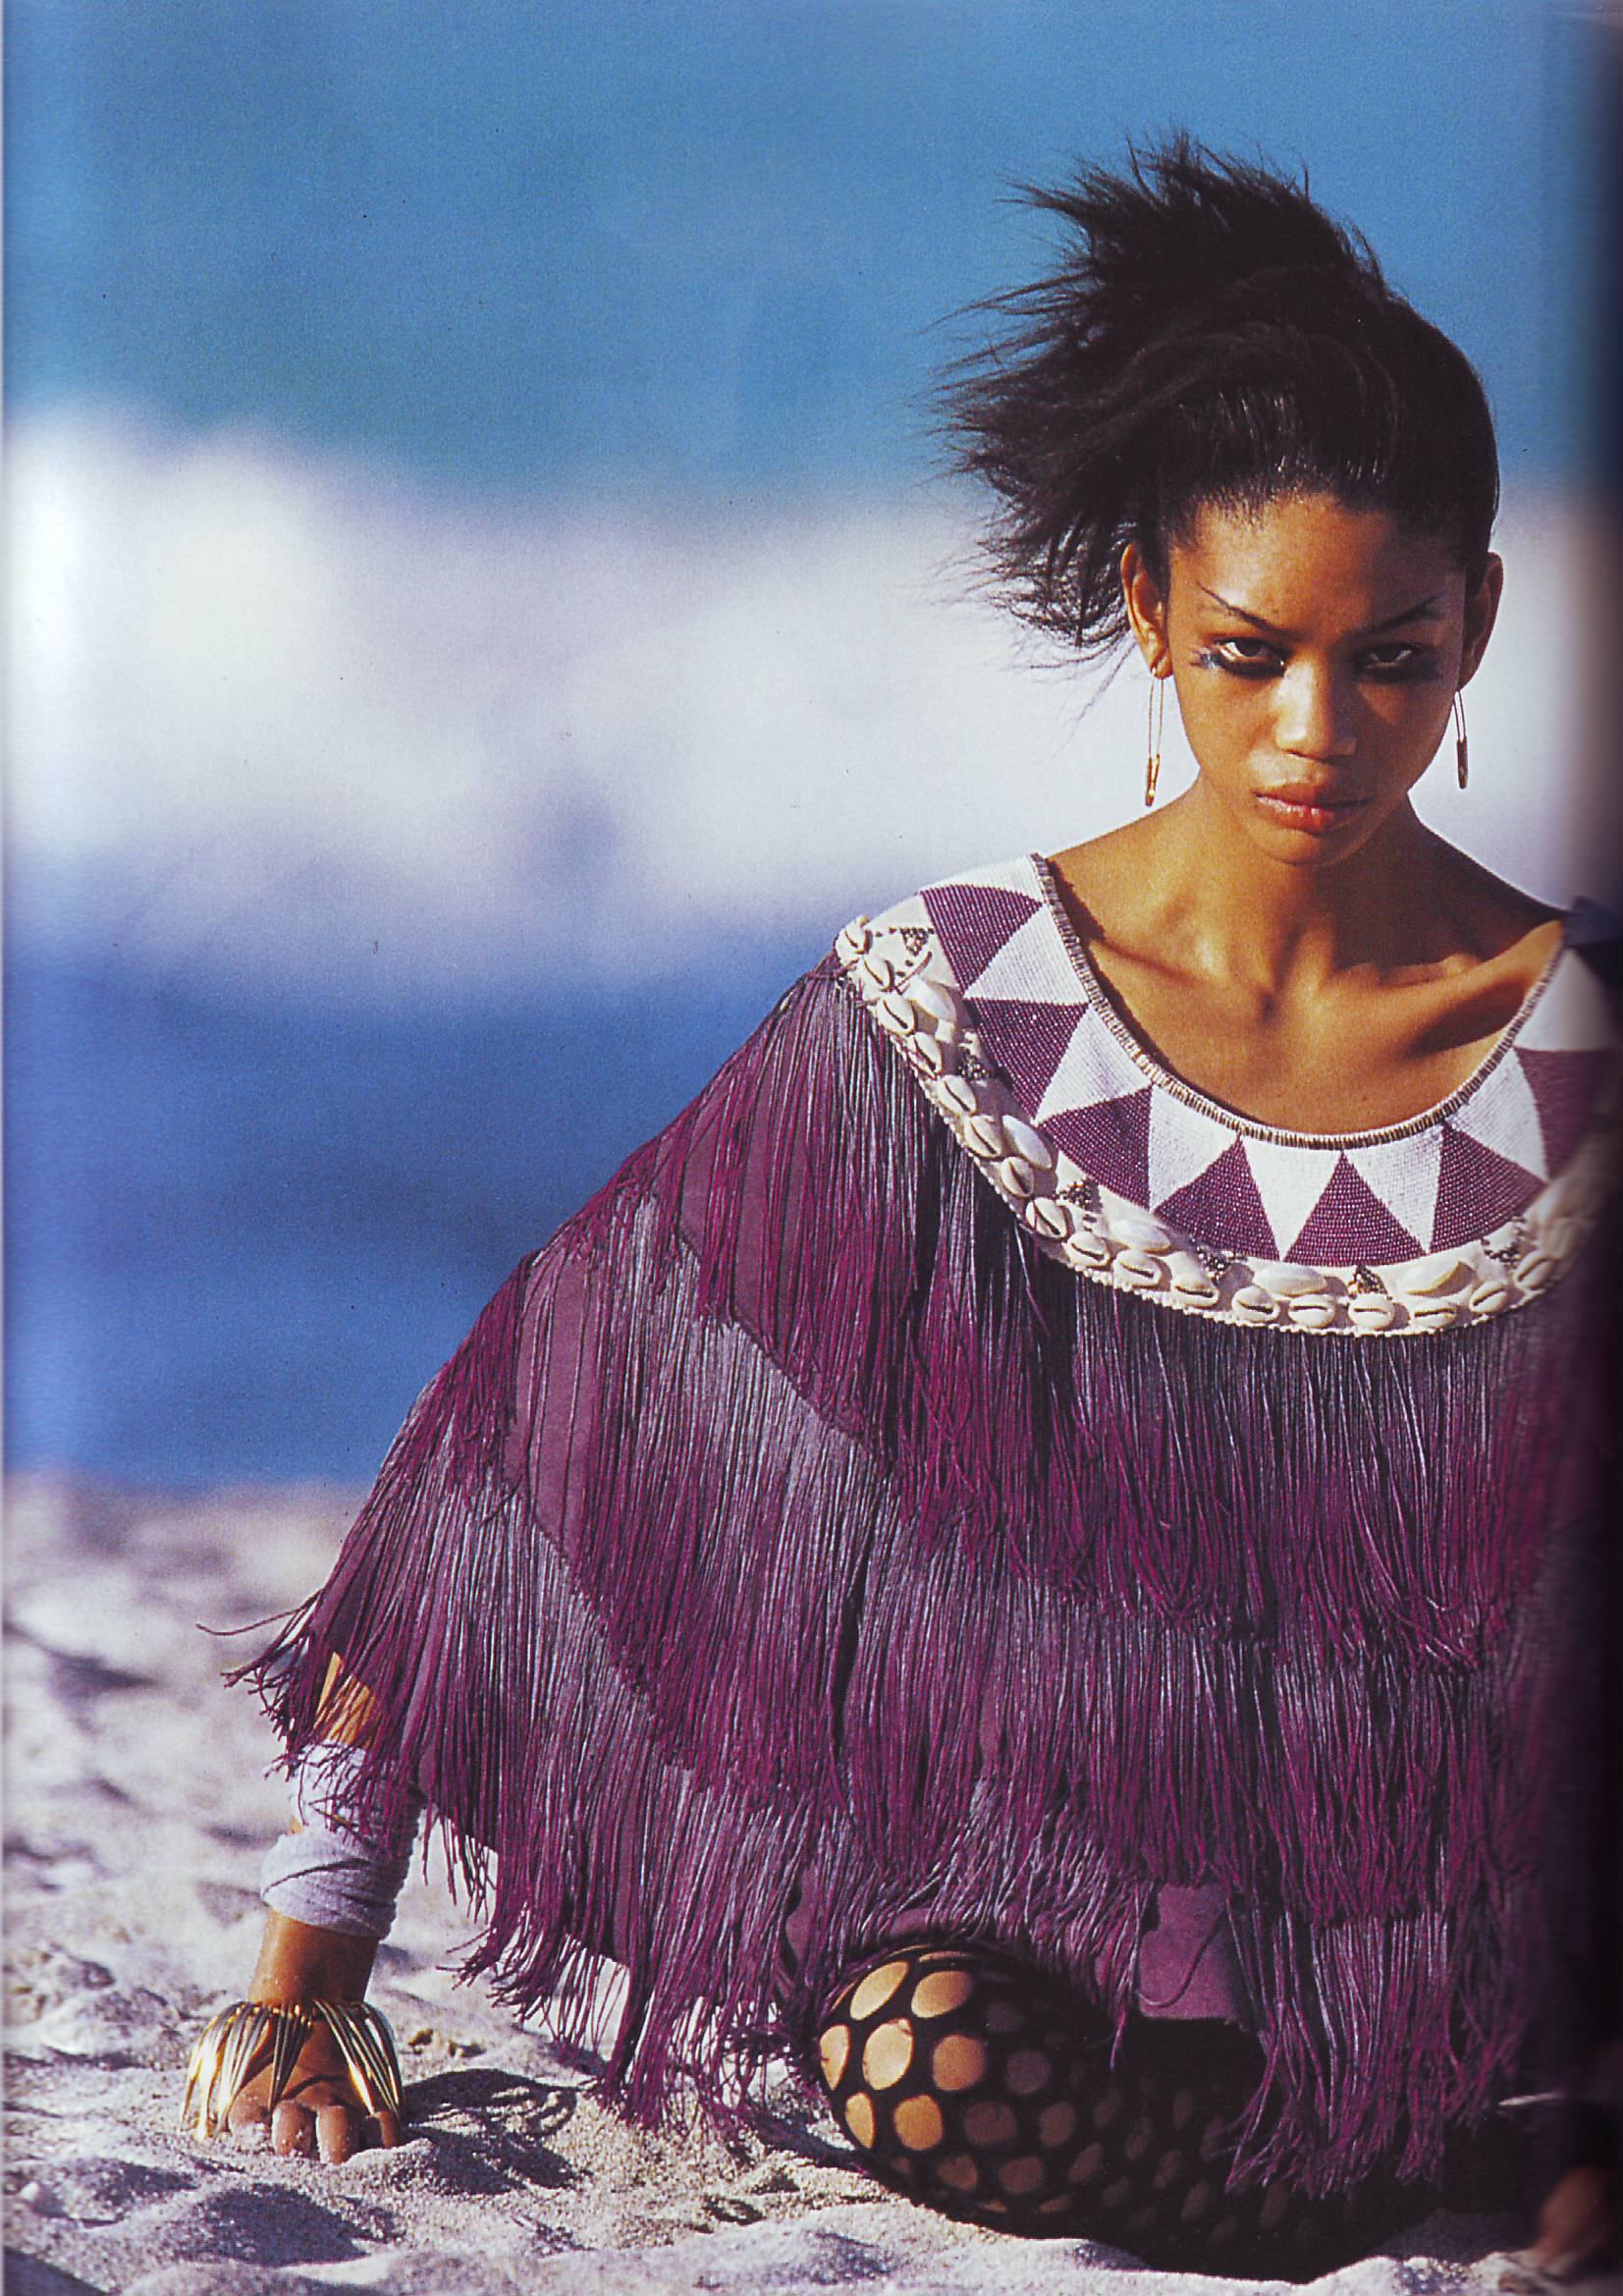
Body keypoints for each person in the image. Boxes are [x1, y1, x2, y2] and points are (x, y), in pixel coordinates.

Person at [182, 140, 1620, 2279]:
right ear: (1148, 609)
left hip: (1498, 1967)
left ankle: (1465, 2136)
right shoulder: (948, 1012)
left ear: (1479, 621)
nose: (1316, 728)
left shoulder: (1584, 1045)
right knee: (910, 2055)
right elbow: (531, 1468)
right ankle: (1394, 2179)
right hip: (1090, 1987)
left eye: (1392, 657)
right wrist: (309, 1960)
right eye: (1248, 652)